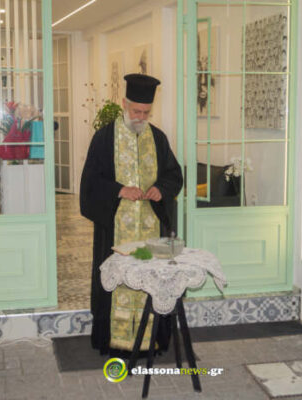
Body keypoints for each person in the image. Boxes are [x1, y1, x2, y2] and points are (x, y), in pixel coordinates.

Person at [80, 74, 183, 356]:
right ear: (125, 104)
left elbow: (174, 175)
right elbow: (90, 183)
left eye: (146, 112)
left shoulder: (158, 138)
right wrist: (119, 190)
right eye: (136, 111)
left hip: (150, 228)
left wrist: (161, 190)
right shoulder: (104, 139)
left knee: (152, 279)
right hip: (115, 229)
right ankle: (115, 340)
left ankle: (152, 340)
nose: (141, 117)